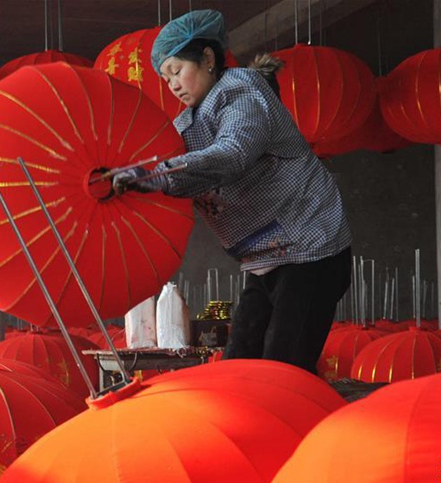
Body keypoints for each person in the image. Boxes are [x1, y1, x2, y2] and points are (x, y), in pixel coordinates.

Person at [112, 9, 352, 375]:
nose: (172, 84)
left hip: (310, 249)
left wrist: (151, 174)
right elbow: (181, 176)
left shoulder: (242, 91)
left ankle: (295, 427)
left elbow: (233, 153)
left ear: (208, 58)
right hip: (263, 260)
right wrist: (133, 181)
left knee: (282, 366)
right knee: (239, 362)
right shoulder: (186, 123)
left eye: (177, 70)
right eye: (166, 78)